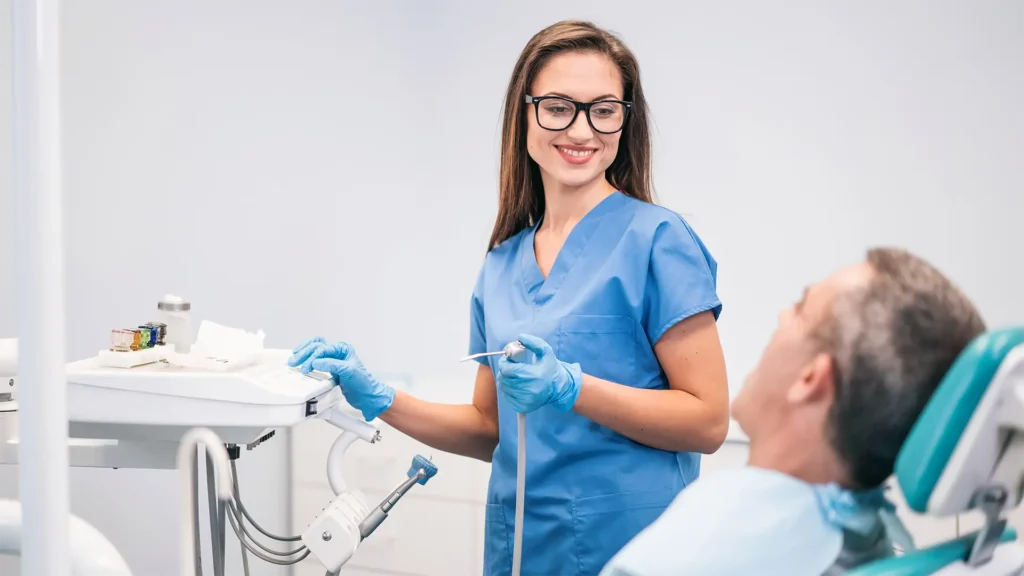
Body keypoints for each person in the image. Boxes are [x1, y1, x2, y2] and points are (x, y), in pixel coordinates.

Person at [288, 19, 730, 576]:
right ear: (524, 113)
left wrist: (572, 386)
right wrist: (377, 396)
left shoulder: (658, 241)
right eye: (558, 106)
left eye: (604, 109)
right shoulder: (501, 266)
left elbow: (709, 422)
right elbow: (489, 429)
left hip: (632, 545)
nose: (581, 129)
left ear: (625, 121)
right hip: (522, 545)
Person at [600, 247, 987, 576]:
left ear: (810, 380)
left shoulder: (714, 539)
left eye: (801, 309)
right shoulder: (869, 534)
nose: (783, 315)